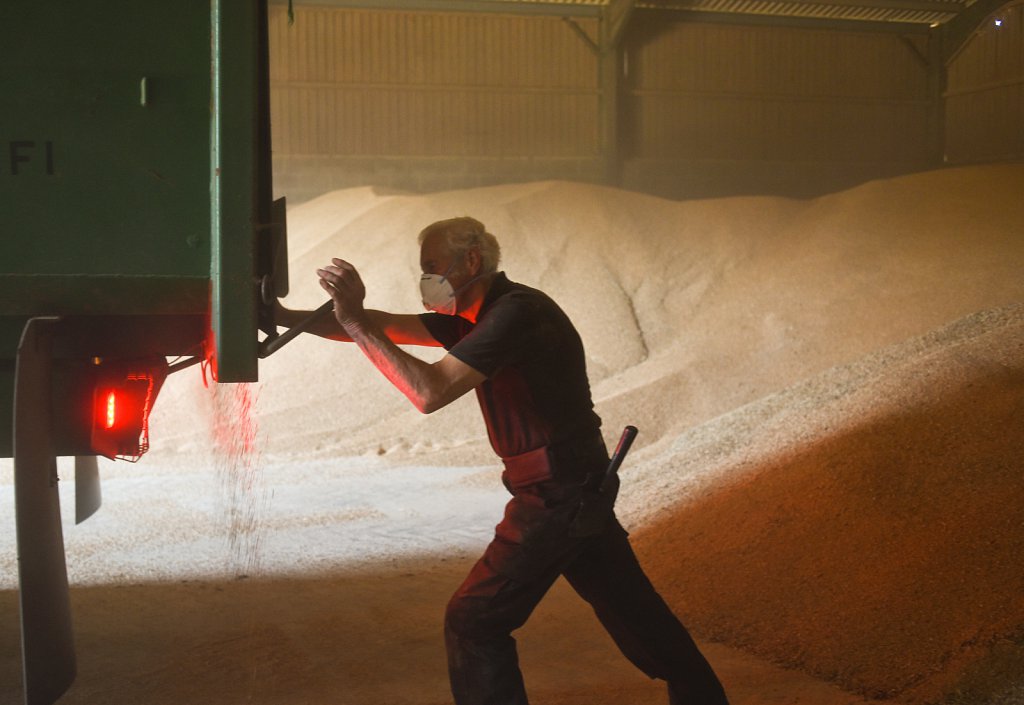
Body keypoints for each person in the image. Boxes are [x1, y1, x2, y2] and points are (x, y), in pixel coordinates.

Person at [276, 216, 729, 705]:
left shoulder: (515, 315)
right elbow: (383, 325)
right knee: (638, 616)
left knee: (474, 622)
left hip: (558, 494)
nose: (425, 277)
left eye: (432, 266)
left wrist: (354, 320)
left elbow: (428, 392)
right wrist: (280, 317)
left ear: (471, 261)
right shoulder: (480, 318)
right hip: (577, 486)